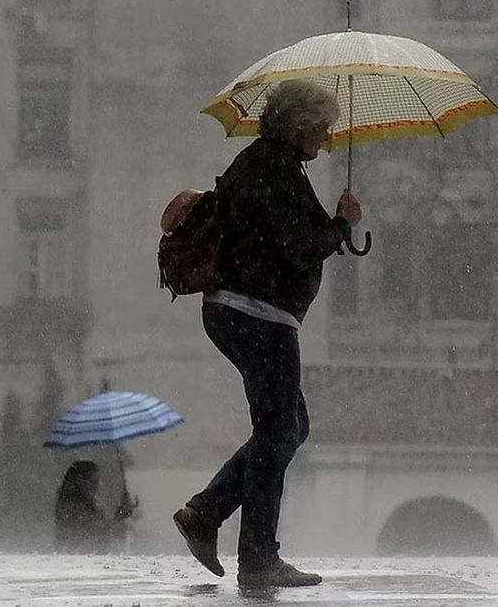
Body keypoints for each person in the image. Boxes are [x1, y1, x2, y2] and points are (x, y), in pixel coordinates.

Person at [171, 79, 362, 588]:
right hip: (258, 315)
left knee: (289, 427)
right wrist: (341, 224)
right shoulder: (273, 170)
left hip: (245, 314)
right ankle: (256, 558)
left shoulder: (270, 165)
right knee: (280, 432)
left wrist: (336, 225)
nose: (324, 141)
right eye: (320, 130)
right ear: (298, 126)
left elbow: (295, 237)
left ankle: (207, 513)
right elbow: (299, 247)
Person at [54, 461, 136, 554]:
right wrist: (119, 517)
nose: (97, 485)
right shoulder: (72, 505)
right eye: (93, 481)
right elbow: (94, 531)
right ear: (79, 480)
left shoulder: (81, 503)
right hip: (79, 560)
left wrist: (120, 515)